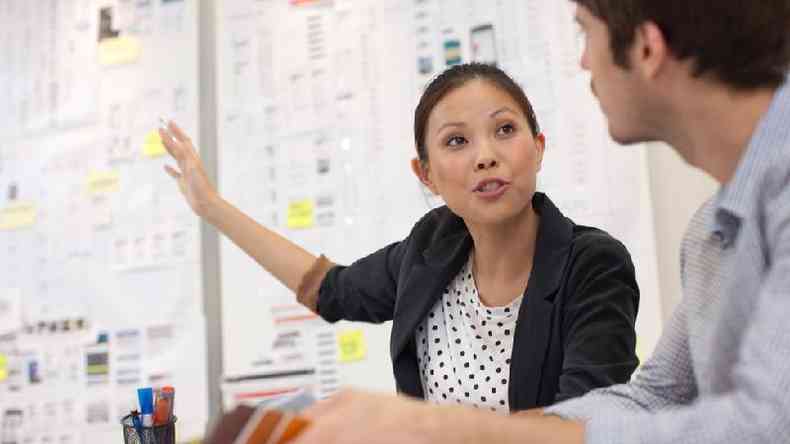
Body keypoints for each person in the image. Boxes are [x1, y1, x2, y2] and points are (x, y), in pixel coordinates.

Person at [285, 1, 790, 443]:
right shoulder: (713, 232)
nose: (583, 60)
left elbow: (764, 430)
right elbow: (656, 395)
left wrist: (442, 428)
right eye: (457, 141)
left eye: (585, 30)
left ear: (646, 48)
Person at [160, 63, 640, 414]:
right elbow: (329, 289)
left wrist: (406, 426)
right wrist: (211, 207)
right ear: (426, 175)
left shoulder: (593, 264)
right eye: (457, 140)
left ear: (537, 149)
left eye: (505, 130)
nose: (486, 156)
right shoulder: (432, 248)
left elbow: (584, 427)